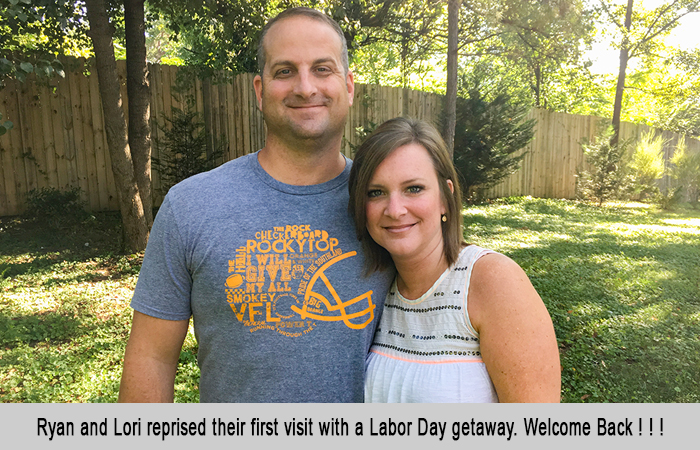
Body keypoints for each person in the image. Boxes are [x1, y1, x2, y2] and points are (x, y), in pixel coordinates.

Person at [118, 7, 392, 403]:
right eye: (284, 71)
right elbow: (152, 359)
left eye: (322, 69)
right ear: (260, 91)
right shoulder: (191, 206)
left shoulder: (388, 210)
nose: (304, 87)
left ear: (349, 87)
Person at [348, 117, 561, 402]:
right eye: (376, 193)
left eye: (414, 188)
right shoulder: (372, 289)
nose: (395, 210)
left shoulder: (492, 281)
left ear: (445, 198)